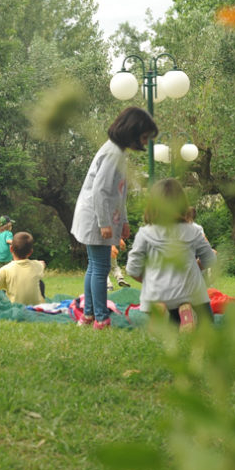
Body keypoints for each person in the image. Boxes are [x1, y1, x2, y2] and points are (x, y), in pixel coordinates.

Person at [70, 106, 158, 329]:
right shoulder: (113, 153)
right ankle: (101, 318)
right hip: (96, 218)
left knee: (95, 266)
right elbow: (100, 190)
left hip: (100, 216)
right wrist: (104, 223)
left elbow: (119, 192)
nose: (146, 143)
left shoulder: (118, 152)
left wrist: (125, 220)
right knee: (100, 268)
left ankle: (88, 315)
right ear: (133, 132)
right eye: (145, 137)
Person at [125, 178, 217, 328]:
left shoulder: (144, 234)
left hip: (157, 292)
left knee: (168, 324)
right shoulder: (193, 231)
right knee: (208, 324)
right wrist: (198, 264)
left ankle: (159, 310)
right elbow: (210, 260)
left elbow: (132, 269)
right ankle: (184, 310)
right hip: (190, 291)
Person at [0, 231, 46, 305]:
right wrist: (41, 263)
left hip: (15, 307)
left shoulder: (5, 269)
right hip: (36, 307)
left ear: (11, 249)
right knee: (40, 283)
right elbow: (42, 263)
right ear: (30, 252)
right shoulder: (37, 265)